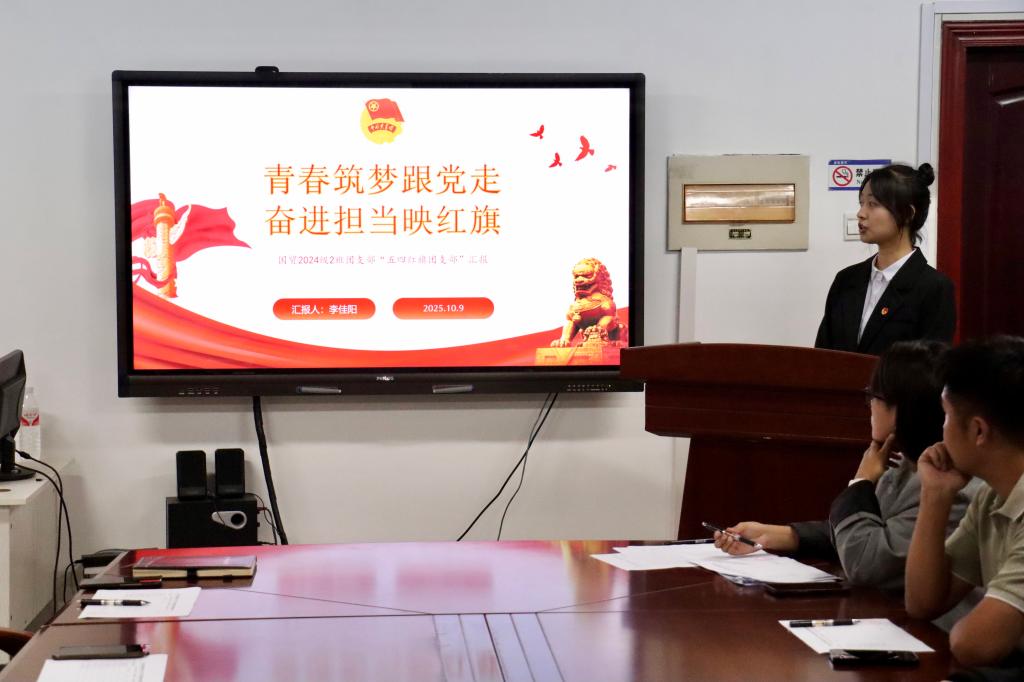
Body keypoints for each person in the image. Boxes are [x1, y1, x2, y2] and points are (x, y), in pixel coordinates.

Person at [714, 340, 973, 590]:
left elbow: (864, 562)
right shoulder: (908, 465)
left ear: (902, 409)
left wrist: (860, 483)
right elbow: (868, 531)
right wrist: (781, 536)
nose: (869, 405)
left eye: (873, 395)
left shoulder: (947, 483)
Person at [905, 336, 1024, 668]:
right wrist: (935, 495)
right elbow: (923, 602)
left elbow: (974, 644)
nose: (941, 430)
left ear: (978, 431)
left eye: (945, 416)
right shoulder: (991, 496)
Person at [815, 163, 955, 355]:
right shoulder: (846, 280)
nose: (861, 213)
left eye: (873, 204)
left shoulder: (934, 288)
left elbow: (931, 366)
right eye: (861, 203)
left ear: (908, 214)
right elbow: (822, 356)